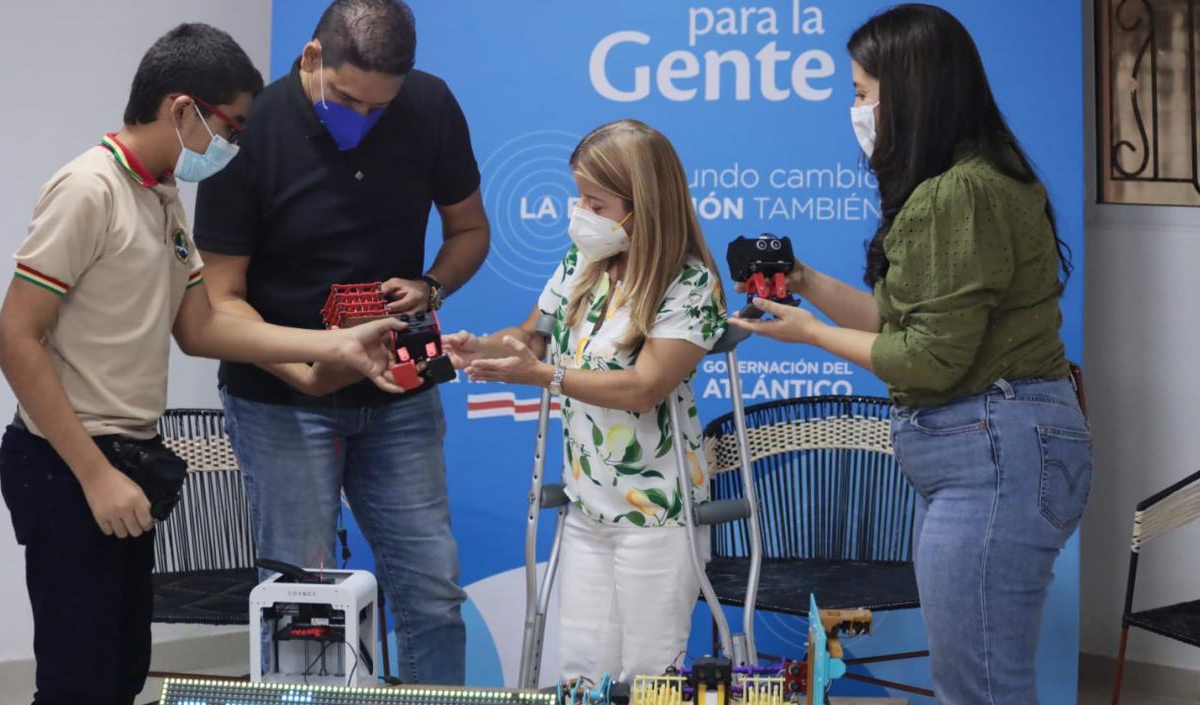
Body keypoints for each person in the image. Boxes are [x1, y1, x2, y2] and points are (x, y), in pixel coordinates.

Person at [0, 23, 405, 705]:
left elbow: (202, 326)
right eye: (232, 126)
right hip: (65, 463)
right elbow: (13, 339)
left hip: (128, 461)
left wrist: (335, 345)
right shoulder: (86, 189)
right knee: (77, 682)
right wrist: (93, 475)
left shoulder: (160, 195)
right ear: (183, 109)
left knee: (121, 671)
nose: (236, 145)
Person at [727, 6, 1092, 705]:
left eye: (863, 93)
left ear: (912, 92)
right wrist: (804, 284)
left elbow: (925, 360)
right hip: (985, 455)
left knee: (979, 685)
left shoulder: (958, 193)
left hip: (992, 455)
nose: (855, 109)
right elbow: (903, 324)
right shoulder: (975, 180)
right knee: (973, 681)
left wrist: (807, 335)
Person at [193, 0, 489, 685]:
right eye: (350, 102)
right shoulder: (247, 133)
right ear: (311, 60)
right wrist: (312, 366)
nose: (365, 120)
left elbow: (469, 231)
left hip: (398, 400)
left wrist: (433, 287)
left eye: (382, 108)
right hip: (279, 400)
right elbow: (221, 302)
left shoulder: (431, 106)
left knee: (433, 592)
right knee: (300, 602)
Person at [443, 119, 727, 682]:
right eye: (579, 198)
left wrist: (545, 376)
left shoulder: (691, 287)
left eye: (595, 203)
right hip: (587, 504)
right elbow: (532, 335)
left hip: (657, 513)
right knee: (579, 672)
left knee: (648, 677)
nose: (581, 214)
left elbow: (645, 385)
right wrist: (484, 345)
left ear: (641, 203)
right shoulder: (583, 266)